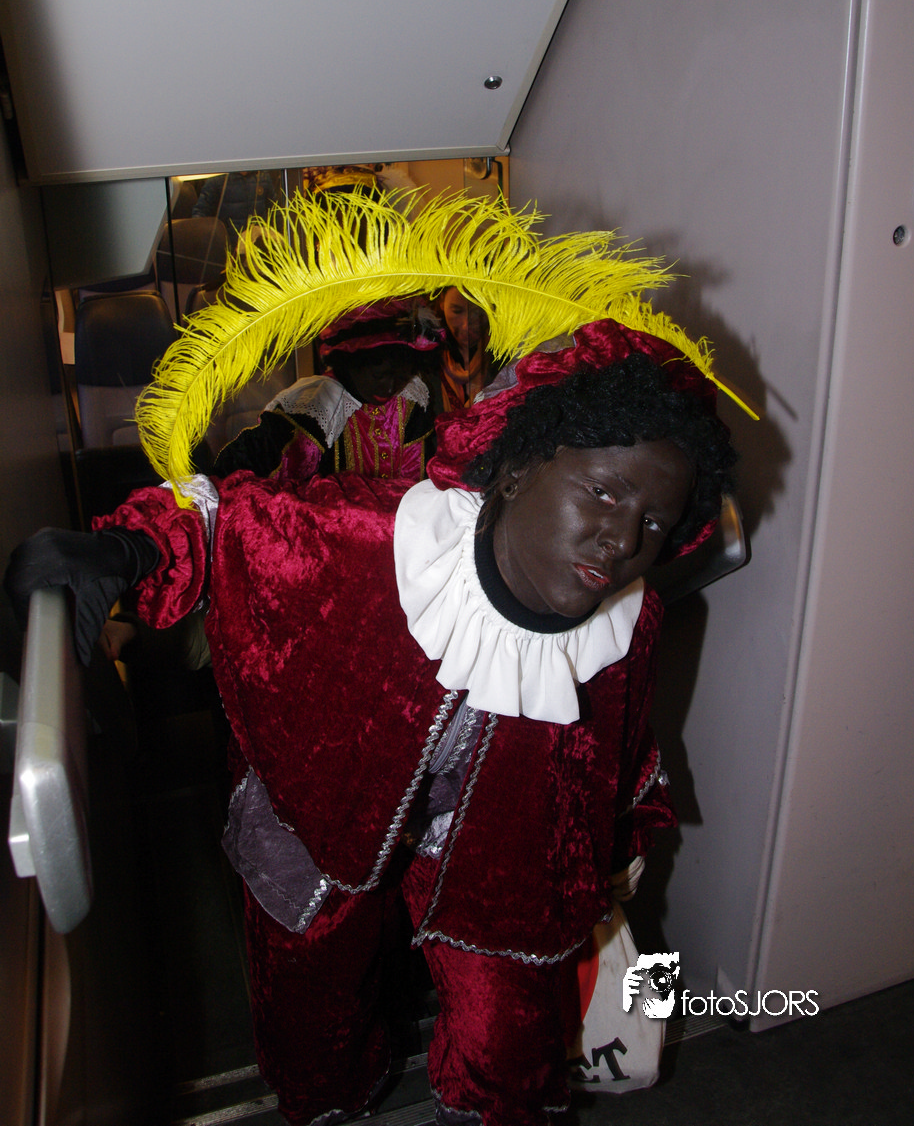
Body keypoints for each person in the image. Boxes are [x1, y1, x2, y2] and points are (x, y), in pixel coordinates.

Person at [5, 192, 747, 1126]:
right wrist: (122, 550)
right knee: (312, 1002)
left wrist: (608, 858)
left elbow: (616, 747)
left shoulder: (625, 623)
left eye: (652, 522)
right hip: (323, 808)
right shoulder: (370, 538)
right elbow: (225, 521)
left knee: (509, 1043)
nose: (621, 540)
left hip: (497, 844)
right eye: (602, 491)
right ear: (520, 468)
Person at [210, 296, 443, 484]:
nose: (391, 387)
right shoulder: (314, 406)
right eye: (379, 376)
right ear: (352, 362)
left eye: (401, 377)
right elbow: (238, 470)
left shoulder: (410, 401)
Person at [436, 285, 497, 409]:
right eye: (457, 311)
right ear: (442, 302)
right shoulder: (427, 356)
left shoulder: (507, 358)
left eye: (477, 313)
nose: (466, 325)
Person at [192, 170, 278, 235]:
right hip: (228, 244)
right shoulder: (218, 179)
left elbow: (275, 211)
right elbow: (201, 212)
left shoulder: (263, 177)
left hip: (257, 243)